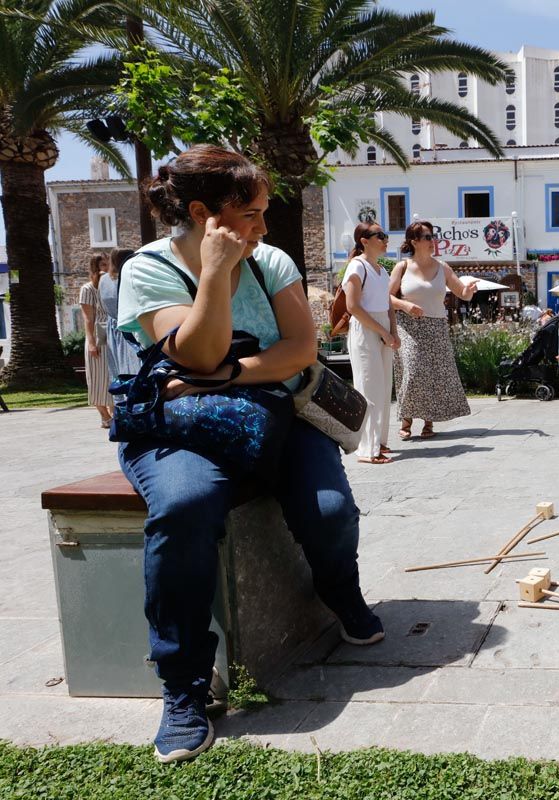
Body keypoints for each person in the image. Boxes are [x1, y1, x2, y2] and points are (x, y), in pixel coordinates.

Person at [116, 145, 383, 764]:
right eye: (252, 214)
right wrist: (212, 273)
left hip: (280, 415)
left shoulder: (270, 261)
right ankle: (183, 685)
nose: (264, 228)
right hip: (179, 429)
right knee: (185, 506)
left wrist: (231, 372)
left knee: (329, 509)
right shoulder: (148, 270)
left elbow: (298, 350)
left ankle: (340, 592)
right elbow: (193, 354)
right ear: (204, 212)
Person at [388, 220, 477, 439]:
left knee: (434, 374)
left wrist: (469, 291)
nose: (432, 241)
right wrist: (404, 305)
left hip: (436, 326)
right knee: (413, 370)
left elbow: (462, 293)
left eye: (433, 237)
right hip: (409, 326)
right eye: (427, 237)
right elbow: (386, 297)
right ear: (414, 241)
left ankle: (429, 422)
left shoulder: (442, 267)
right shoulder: (402, 267)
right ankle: (407, 418)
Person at [343, 221, 398, 464]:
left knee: (384, 387)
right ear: (364, 241)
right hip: (365, 329)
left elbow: (388, 305)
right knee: (368, 388)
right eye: (380, 235)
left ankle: (379, 442)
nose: (385, 239)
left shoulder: (382, 270)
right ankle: (367, 448)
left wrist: (392, 332)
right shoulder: (357, 267)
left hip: (382, 327)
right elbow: (353, 307)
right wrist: (383, 332)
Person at [79, 253, 113, 427]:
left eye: (107, 264)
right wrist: (91, 342)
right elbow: (88, 319)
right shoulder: (87, 289)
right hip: (96, 337)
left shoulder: (111, 286)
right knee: (97, 378)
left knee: (112, 376)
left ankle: (114, 414)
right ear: (95, 267)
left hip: (112, 336)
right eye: (102, 265)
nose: (106, 269)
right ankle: (105, 416)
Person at [101, 248, 142, 380]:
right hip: (131, 325)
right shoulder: (131, 276)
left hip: (113, 327)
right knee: (134, 366)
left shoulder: (103, 280)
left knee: (118, 367)